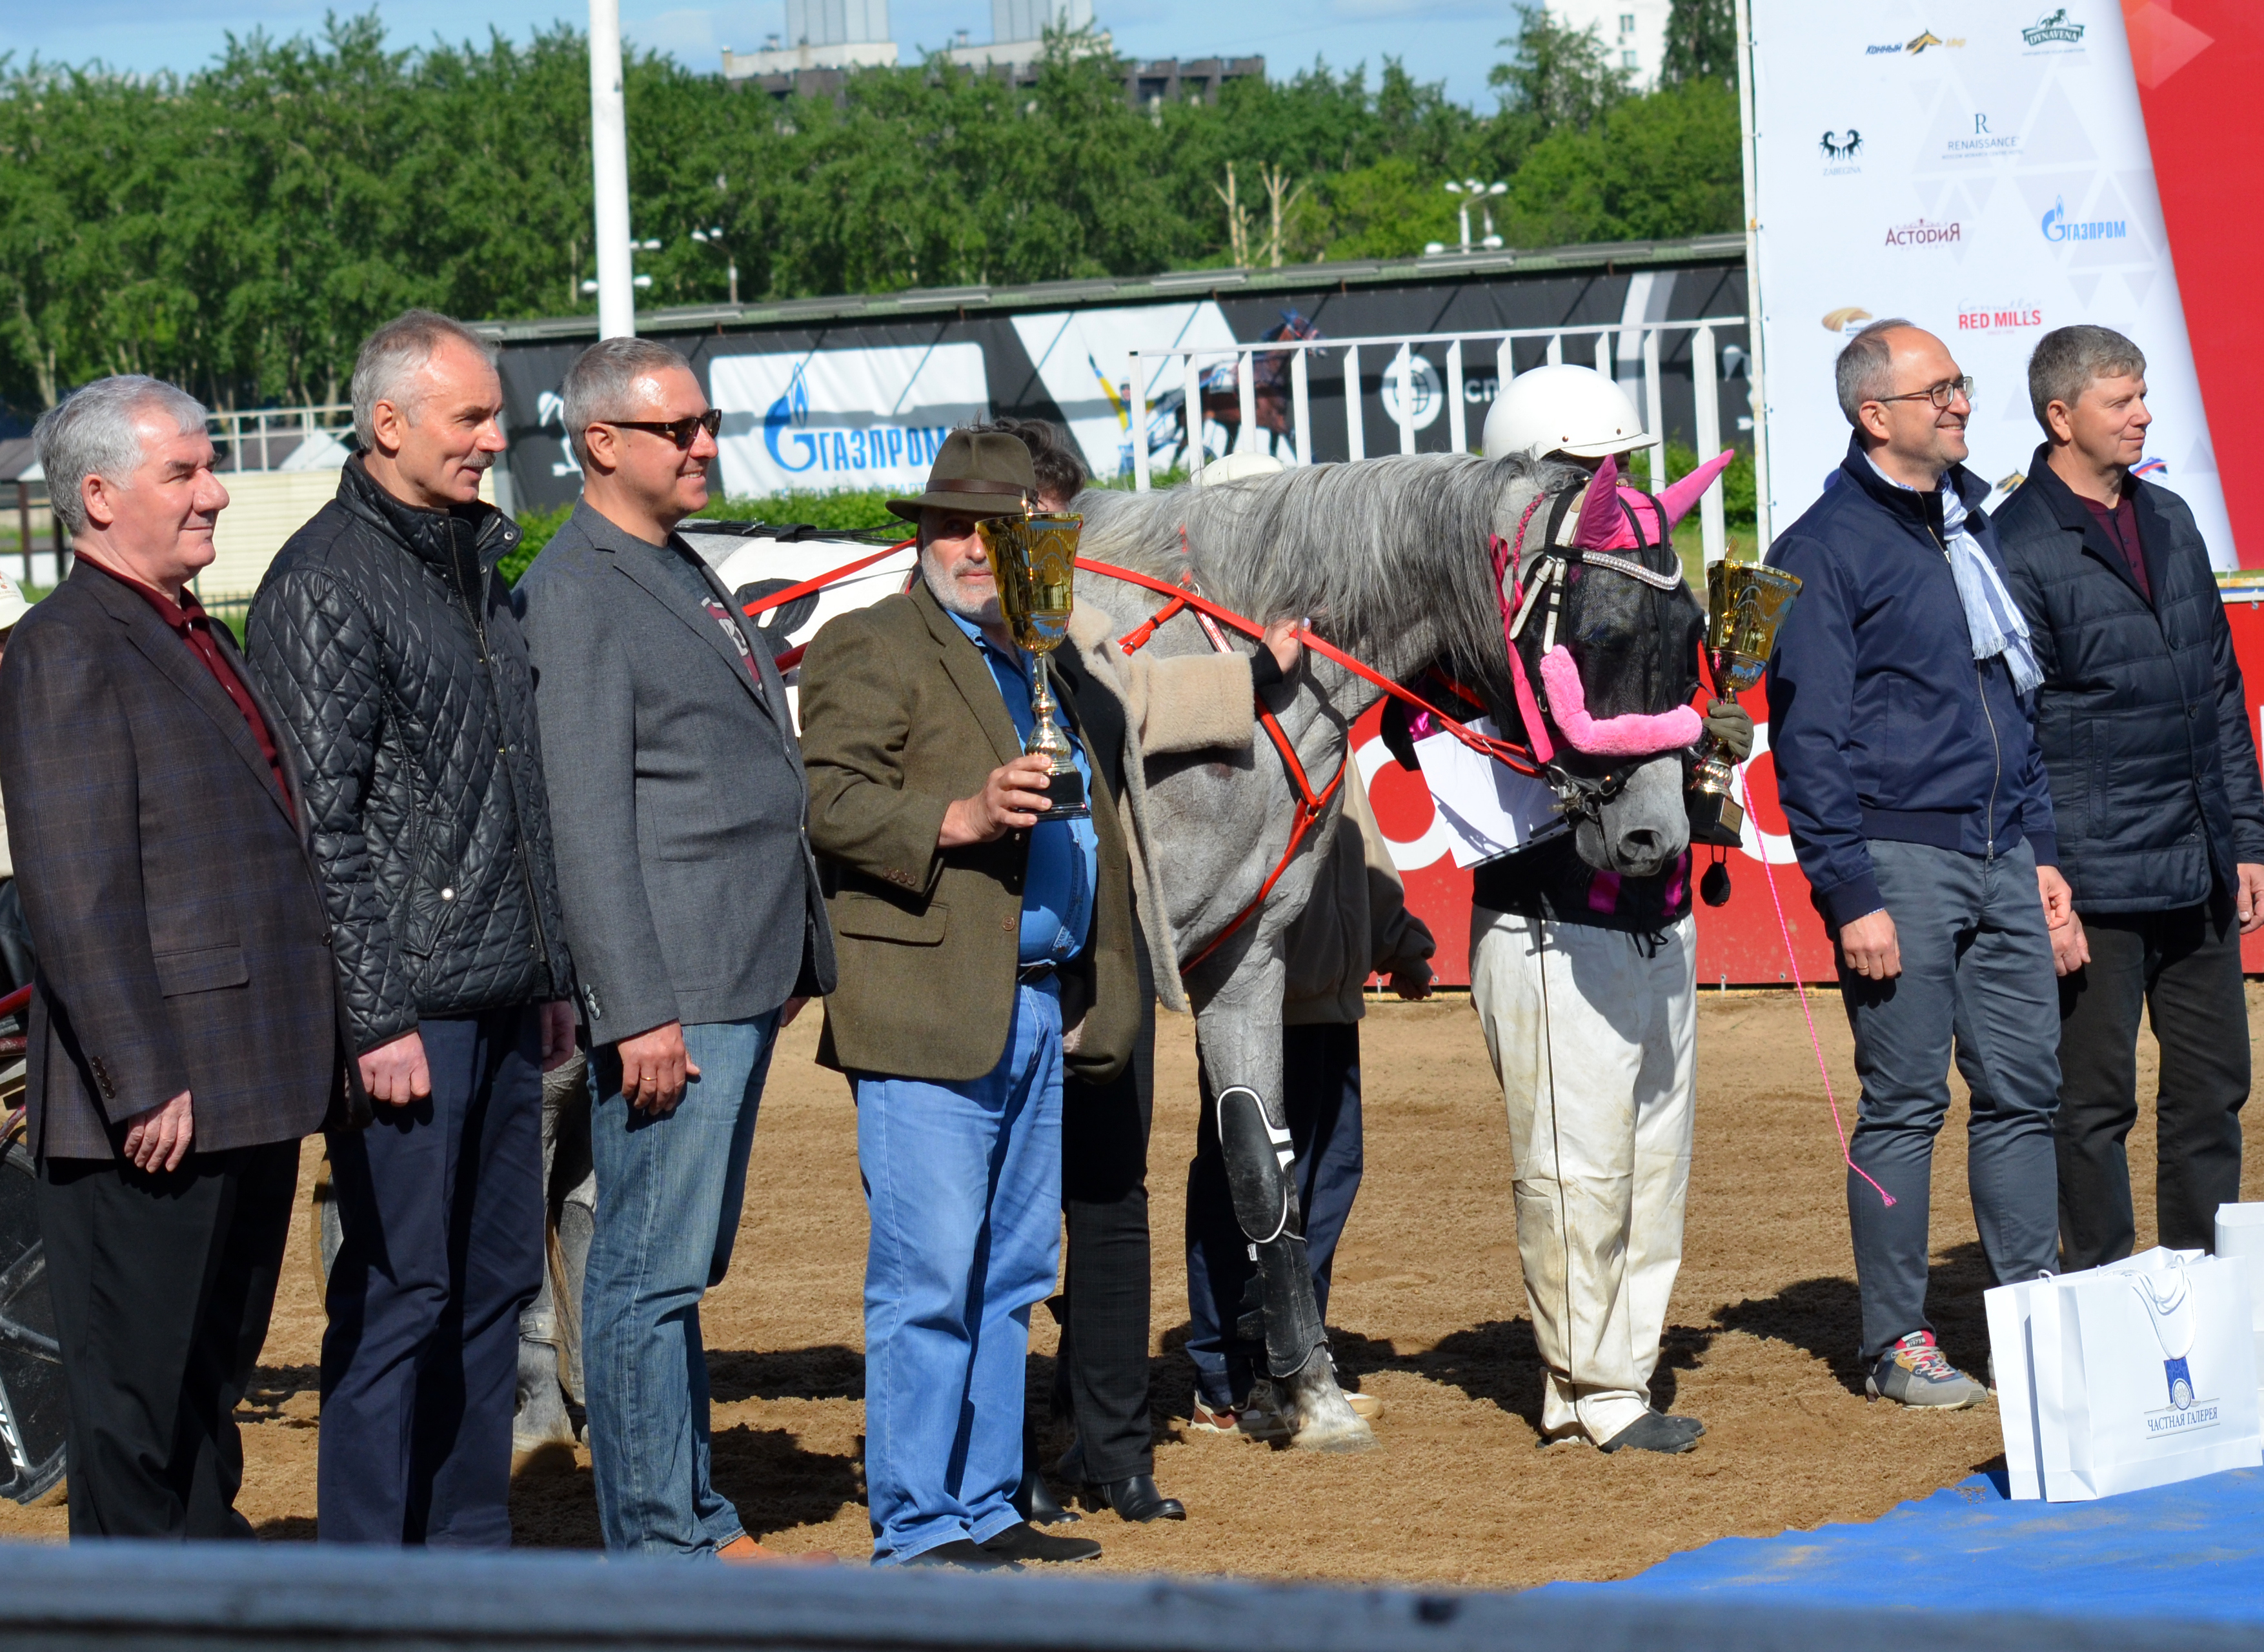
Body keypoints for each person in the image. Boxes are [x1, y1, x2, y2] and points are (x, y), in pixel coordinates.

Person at [248, 310, 578, 1546]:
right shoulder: (325, 582)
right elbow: (317, 828)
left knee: (494, 1284)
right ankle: (367, 1582)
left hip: (499, 995)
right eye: (472, 417)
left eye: (494, 415)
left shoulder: (473, 568)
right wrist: (375, 1014)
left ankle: (466, 1556)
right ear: (388, 424)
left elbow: (506, 789)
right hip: (409, 1016)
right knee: (402, 1293)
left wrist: (542, 965)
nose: (495, 438)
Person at [0, 376, 345, 1536]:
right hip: (154, 1108)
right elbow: (74, 890)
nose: (216, 492)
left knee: (202, 1391)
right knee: (137, 1414)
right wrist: (142, 1078)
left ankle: (203, 1604)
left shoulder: (193, 629)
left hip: (243, 1086)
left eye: (211, 466)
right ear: (97, 497)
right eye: (184, 473)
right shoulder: (63, 651)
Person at [798, 430, 1144, 1569]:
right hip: (926, 1006)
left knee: (1007, 1277)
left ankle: (987, 1503)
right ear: (923, 531)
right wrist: (955, 814)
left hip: (1035, 1002)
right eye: (950, 522)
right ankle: (914, 1520)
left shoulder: (1036, 653)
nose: (969, 545)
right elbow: (824, 801)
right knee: (930, 1278)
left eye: (991, 526)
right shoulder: (868, 643)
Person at [516, 337, 836, 1560]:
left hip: (731, 974)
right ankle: (659, 1541)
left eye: (706, 423)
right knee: (647, 1273)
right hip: (675, 992)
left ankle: (687, 1507)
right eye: (677, 429)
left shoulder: (672, 561)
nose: (705, 443)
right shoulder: (578, 588)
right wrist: (635, 1008)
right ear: (601, 444)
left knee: (674, 1267)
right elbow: (589, 823)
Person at [1432, 365, 1740, 1455]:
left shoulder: (1639, 588)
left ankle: (1617, 1379)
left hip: (1655, 919)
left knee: (1653, 1167)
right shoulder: (1472, 622)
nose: (1595, 496)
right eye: (1573, 474)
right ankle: (1591, 1389)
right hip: (1549, 927)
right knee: (1576, 1168)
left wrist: (1709, 750)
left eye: (1603, 473)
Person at [1765, 319, 2070, 1409]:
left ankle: (2033, 1323)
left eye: (1959, 384)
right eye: (1937, 388)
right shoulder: (1819, 547)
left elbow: (2009, 706)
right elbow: (1805, 740)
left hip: (1999, 856)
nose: (1958, 403)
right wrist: (1849, 893)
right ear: (1873, 413)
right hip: (1895, 862)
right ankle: (1896, 1345)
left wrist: (2040, 853)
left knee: (2024, 1095)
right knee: (1902, 1107)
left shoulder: (1967, 523)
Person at [967, 418, 1200, 1527]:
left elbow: (1164, 710)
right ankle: (992, 1458)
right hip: (994, 976)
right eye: (1021, 525)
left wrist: (1289, 665)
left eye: (1053, 525)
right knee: (993, 1229)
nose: (1040, 545)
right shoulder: (933, 649)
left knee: (1111, 1204)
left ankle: (1113, 1446)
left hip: (1106, 969)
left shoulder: (1088, 646)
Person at [1994, 325, 2264, 1269]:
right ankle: (2104, 1295)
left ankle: (2201, 1285)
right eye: (2122, 401)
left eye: (2144, 395)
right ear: (2061, 416)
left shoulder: (2173, 518)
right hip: (2091, 882)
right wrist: (2043, 874)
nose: (2145, 415)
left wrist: (2248, 839)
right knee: (2092, 1104)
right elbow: (2010, 730)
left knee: (2214, 1086)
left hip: (2198, 868)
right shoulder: (2012, 545)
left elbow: (2218, 690)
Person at [1184, 761, 1435, 1438]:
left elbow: (1361, 847)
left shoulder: (1329, 726)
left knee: (1326, 1183)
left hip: (1328, 1000)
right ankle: (1228, 1380)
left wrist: (1398, 940)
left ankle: (1296, 1360)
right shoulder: (1239, 724)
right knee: (1245, 1190)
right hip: (1252, 1006)